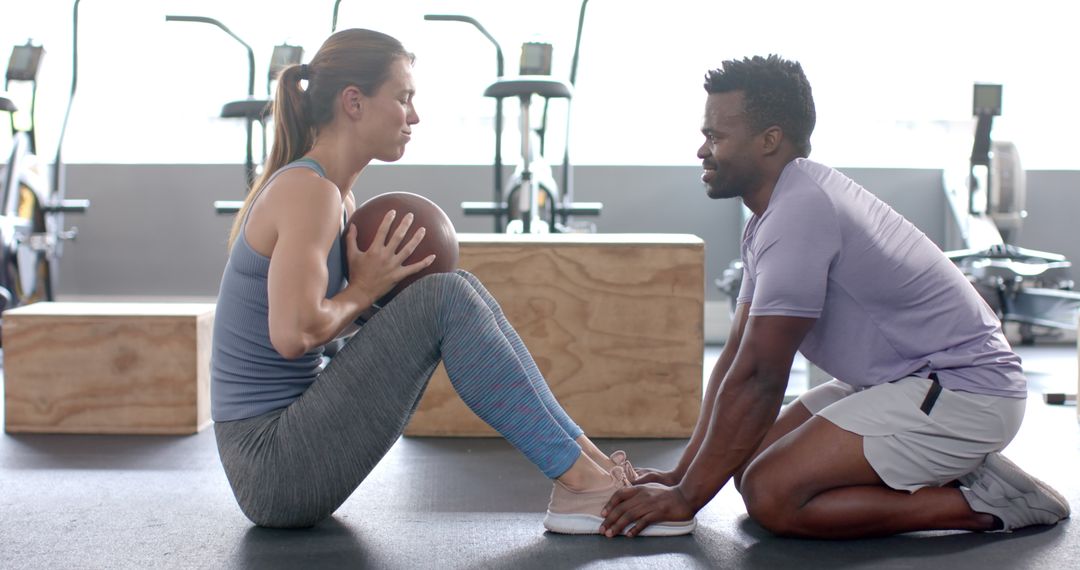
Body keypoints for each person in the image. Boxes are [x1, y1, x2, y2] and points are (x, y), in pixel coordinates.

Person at [209, 28, 693, 536]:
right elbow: (293, 335)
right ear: (354, 102)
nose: (414, 116)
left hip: (288, 448)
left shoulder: (335, 197)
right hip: (270, 465)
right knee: (447, 297)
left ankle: (594, 469)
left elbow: (318, 332)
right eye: (403, 98)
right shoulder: (309, 193)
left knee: (460, 289)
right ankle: (580, 485)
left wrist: (371, 303)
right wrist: (365, 290)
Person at [599, 54, 1071, 539]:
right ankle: (950, 469)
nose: (703, 150)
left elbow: (762, 377)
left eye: (716, 137)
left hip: (965, 392)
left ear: (769, 140)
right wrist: (681, 476)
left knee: (770, 494)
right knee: (746, 462)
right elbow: (737, 357)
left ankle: (984, 504)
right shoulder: (770, 216)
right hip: (900, 381)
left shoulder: (801, 211)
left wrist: (685, 500)